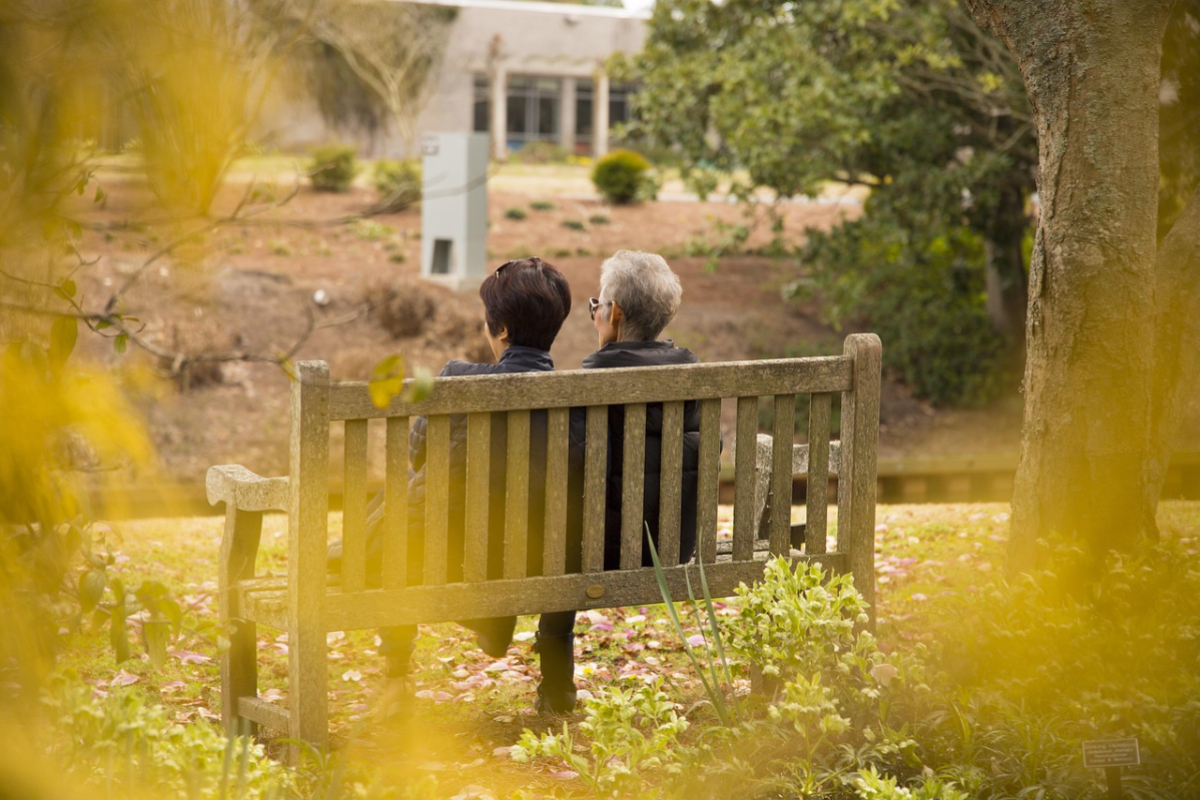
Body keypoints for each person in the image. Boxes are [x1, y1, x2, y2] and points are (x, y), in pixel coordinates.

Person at [328, 257, 573, 702]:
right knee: (407, 498)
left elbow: (419, 453)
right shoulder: (578, 397)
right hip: (543, 556)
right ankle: (546, 675)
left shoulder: (459, 380)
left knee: (404, 505)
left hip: (451, 556)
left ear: (499, 330)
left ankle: (397, 678)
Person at [540, 250, 704, 716]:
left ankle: (556, 693)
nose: (594, 313)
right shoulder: (694, 376)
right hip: (673, 546)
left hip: (595, 554)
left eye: (597, 304)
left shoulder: (585, 384)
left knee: (560, 547)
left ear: (613, 313)